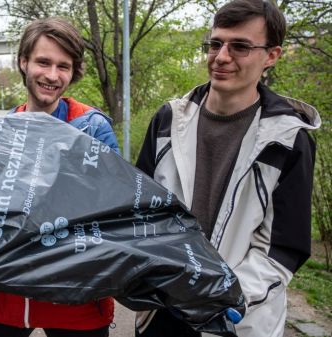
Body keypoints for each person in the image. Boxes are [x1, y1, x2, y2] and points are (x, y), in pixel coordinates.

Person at [133, 1, 320, 336]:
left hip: (235, 319)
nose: (221, 56)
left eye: (240, 46)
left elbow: (283, 248)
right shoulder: (168, 119)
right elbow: (137, 208)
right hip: (162, 311)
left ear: (272, 55)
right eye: (215, 43)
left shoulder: (289, 139)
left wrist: (222, 297)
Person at [0, 17, 119, 337]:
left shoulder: (92, 127)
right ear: (23, 62)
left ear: (73, 72)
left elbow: (116, 212)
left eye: (63, 66)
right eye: (43, 62)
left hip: (77, 302)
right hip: (5, 297)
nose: (51, 75)